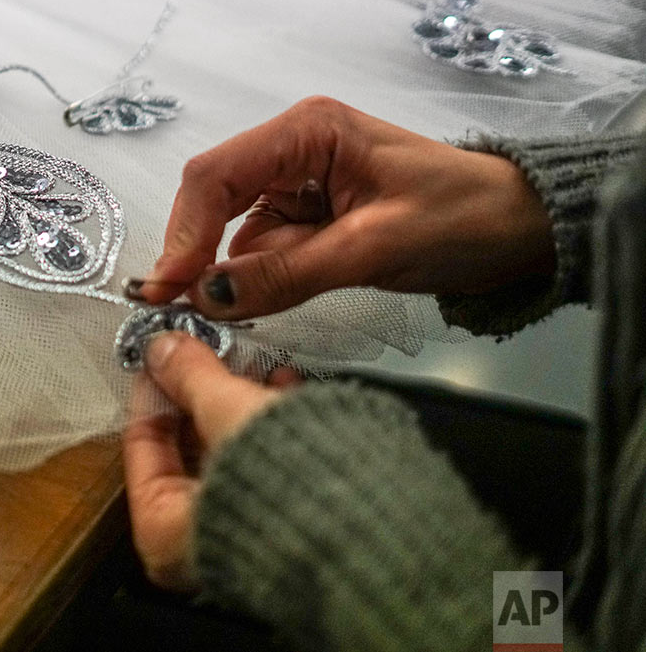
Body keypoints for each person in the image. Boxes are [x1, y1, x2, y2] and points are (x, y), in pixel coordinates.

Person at [121, 95, 645, 650]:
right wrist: (524, 208)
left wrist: (324, 527)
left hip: (566, 603)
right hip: (608, 550)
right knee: (536, 567)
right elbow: (547, 621)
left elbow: (536, 635)